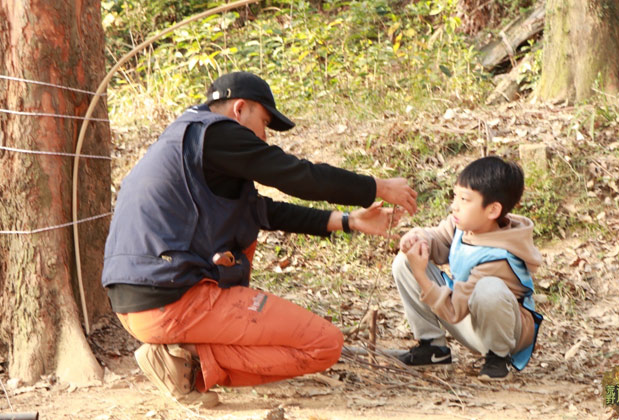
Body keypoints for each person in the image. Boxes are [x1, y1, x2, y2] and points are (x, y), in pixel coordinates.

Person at [101, 71, 417, 407]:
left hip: (136, 301)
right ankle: (187, 360)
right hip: (172, 299)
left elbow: (260, 212)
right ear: (240, 109)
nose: (264, 136)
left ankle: (185, 355)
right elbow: (297, 175)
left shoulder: (186, 139)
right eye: (264, 122)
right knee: (323, 345)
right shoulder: (218, 134)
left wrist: (349, 221)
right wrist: (376, 187)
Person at [392, 156, 543, 381]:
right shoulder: (466, 224)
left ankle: (497, 359)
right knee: (405, 261)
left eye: (464, 199)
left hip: (503, 332)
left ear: (492, 210)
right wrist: (419, 237)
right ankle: (433, 349)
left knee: (489, 289)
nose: (455, 205)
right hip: (467, 314)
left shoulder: (499, 257)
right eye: (455, 196)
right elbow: (440, 239)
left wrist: (421, 274)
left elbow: (453, 311)